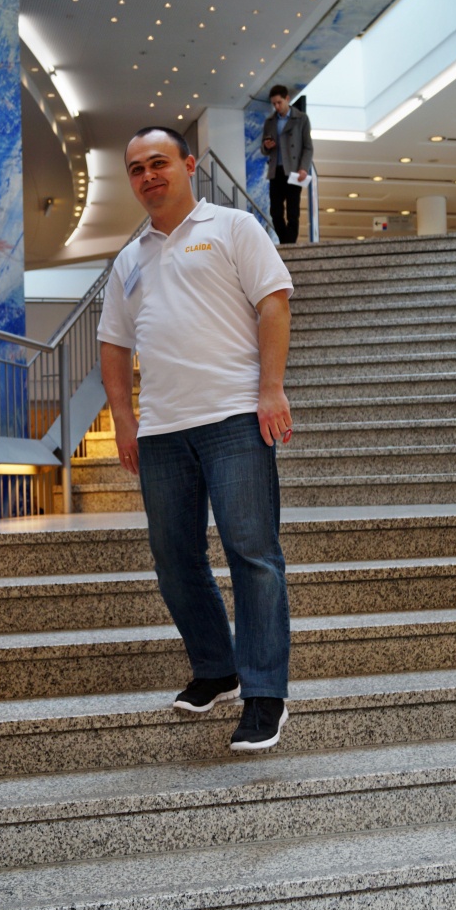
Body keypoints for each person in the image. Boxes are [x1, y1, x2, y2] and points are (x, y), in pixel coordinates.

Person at [97, 126, 294, 752]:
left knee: (252, 553)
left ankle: (265, 693)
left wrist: (271, 389)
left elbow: (274, 303)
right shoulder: (129, 260)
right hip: (161, 431)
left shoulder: (234, 227)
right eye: (136, 168)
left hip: (234, 417)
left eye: (158, 162)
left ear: (187, 165)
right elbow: (113, 344)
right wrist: (124, 420)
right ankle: (216, 667)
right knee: (174, 558)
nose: (148, 175)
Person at [261, 84, 314, 245]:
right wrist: (266, 146)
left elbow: (308, 147)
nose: (277, 107)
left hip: (294, 171)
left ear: (287, 99)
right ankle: (287, 244)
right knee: (275, 212)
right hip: (275, 171)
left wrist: (303, 168)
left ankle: (289, 246)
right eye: (274, 104)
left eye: (279, 102)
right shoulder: (270, 121)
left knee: (293, 212)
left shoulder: (301, 119)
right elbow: (263, 149)